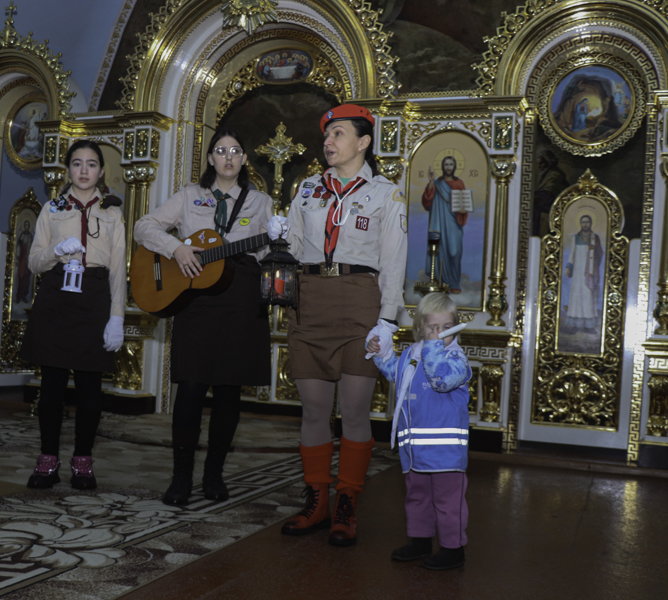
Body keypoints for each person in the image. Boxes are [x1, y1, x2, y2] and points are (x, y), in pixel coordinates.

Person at [268, 104, 408, 546]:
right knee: (312, 409)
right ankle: (316, 499)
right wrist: (276, 235)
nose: (328, 142)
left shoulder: (387, 194)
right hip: (309, 302)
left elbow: (393, 261)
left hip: (359, 301)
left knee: (353, 412)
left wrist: (387, 320)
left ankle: (347, 501)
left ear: (364, 142)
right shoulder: (308, 188)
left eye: (339, 134)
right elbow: (291, 245)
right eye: (326, 134)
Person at [134, 127, 273, 506]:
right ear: (211, 158)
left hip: (241, 300)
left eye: (236, 151)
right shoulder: (188, 196)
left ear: (244, 160)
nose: (228, 157)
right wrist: (176, 248)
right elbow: (142, 227)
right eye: (221, 150)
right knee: (191, 388)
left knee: (229, 390)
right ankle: (181, 478)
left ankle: (214, 474)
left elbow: (267, 255)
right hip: (196, 301)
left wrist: (275, 241)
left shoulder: (260, 201)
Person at [20, 139, 126, 490]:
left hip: (94, 299)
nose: (84, 170)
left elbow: (117, 271)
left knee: (90, 390)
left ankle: (83, 461)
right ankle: (47, 459)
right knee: (50, 389)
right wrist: (55, 250)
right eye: (77, 163)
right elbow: (34, 262)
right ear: (67, 169)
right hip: (56, 297)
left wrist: (116, 317)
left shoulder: (113, 212)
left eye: (91, 164)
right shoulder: (52, 209)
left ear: (101, 170)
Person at [366, 292, 471, 570]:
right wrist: (381, 352)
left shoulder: (456, 360)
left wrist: (433, 347)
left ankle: (453, 548)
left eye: (445, 327)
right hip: (414, 450)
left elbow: (440, 380)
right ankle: (420, 539)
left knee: (448, 501)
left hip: (446, 452)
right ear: (420, 329)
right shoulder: (413, 355)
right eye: (431, 328)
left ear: (455, 326)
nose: (438, 333)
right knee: (417, 496)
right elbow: (395, 373)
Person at [423, 156, 466, 293]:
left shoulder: (459, 183)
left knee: (454, 252)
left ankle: (453, 283)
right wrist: (430, 182)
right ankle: (438, 281)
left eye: (451, 164)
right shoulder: (436, 184)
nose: (448, 167)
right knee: (439, 251)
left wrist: (463, 210)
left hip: (454, 224)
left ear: (454, 167)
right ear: (442, 166)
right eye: (446, 164)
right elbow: (427, 201)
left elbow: (463, 204)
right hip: (439, 224)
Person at [563, 214, 603, 333]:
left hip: (589, 272)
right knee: (576, 295)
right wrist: (568, 266)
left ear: (590, 223)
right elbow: (572, 253)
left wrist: (593, 251)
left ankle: (588, 326)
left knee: (587, 295)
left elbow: (600, 253)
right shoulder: (576, 237)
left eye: (587, 222)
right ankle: (575, 325)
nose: (585, 224)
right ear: (580, 224)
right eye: (583, 222)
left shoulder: (594, 237)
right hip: (577, 272)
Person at [15, 219, 34, 303]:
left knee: (27, 276)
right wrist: (18, 255)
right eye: (25, 225)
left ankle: (24, 295)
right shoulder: (22, 235)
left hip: (28, 259)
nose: (26, 226)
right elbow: (19, 246)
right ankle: (19, 295)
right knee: (21, 275)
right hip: (22, 258)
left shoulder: (30, 236)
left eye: (28, 225)